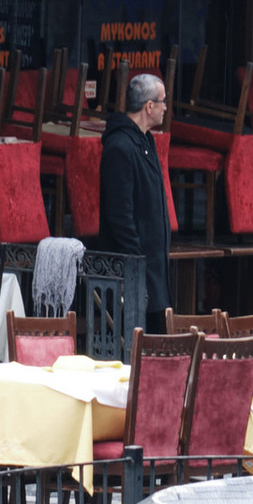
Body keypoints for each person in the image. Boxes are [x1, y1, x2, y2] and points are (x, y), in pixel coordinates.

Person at [97, 72, 172, 330]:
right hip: (133, 272)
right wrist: (137, 262)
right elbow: (120, 216)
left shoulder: (146, 141)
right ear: (149, 106)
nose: (166, 108)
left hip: (154, 268)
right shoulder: (120, 146)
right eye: (163, 102)